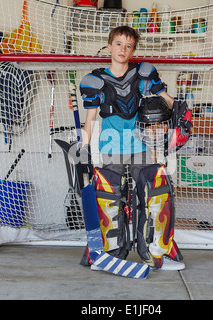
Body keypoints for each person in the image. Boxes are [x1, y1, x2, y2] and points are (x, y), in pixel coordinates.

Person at [78, 25, 187, 271]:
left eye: (128, 46)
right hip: (111, 146)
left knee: (156, 193)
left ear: (133, 50)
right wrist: (84, 148)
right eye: (118, 44)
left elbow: (169, 101)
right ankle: (109, 253)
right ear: (109, 46)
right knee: (108, 198)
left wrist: (182, 112)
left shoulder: (143, 74)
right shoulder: (95, 80)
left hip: (141, 144)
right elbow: (90, 119)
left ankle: (157, 252)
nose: (122, 49)